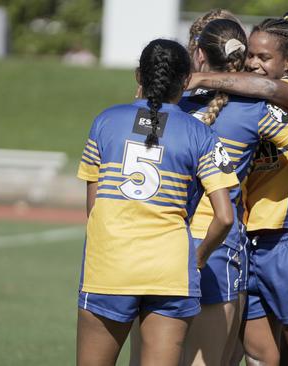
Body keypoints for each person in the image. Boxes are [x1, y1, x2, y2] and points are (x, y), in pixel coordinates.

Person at [179, 18, 288, 366]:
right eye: (251, 58)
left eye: (265, 57)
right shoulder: (238, 102)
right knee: (258, 354)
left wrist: (201, 77)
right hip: (248, 241)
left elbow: (279, 95)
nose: (256, 65)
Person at [75, 39, 238, 366]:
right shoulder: (200, 133)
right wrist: (199, 257)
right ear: (186, 80)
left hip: (110, 265)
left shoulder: (105, 121)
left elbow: (94, 210)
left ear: (139, 75)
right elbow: (225, 217)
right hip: (171, 269)